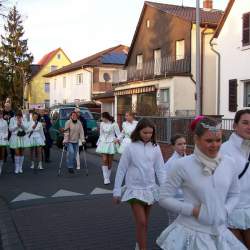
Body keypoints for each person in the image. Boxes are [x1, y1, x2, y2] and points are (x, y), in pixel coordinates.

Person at [156, 116, 246, 250]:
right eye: (209, 140)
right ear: (196, 139)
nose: (215, 145)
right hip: (191, 232)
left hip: (220, 231)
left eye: (218, 140)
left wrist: (225, 210)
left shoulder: (229, 163)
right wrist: (192, 210)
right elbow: (163, 198)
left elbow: (234, 193)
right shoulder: (182, 165)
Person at [113, 118, 165, 250]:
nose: (148, 135)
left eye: (150, 133)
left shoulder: (155, 147)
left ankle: (139, 244)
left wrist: (165, 189)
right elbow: (121, 169)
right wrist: (117, 191)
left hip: (150, 189)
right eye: (145, 132)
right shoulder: (130, 147)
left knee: (144, 224)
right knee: (141, 222)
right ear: (138, 131)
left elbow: (160, 169)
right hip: (134, 189)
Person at [220, 109, 250, 248]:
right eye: (245, 122)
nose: (249, 126)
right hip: (229, 213)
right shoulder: (223, 150)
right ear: (234, 125)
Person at [96, 112, 120, 184]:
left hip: (111, 143)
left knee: (110, 161)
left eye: (102, 117)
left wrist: (117, 140)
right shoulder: (102, 124)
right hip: (103, 142)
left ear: (106, 117)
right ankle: (105, 178)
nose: (101, 119)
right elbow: (101, 134)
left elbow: (119, 134)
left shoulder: (114, 124)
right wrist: (99, 142)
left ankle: (108, 177)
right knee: (104, 159)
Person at [9, 110, 29, 174]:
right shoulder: (12, 119)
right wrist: (17, 125)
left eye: (20, 116)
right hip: (15, 137)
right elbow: (10, 129)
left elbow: (26, 128)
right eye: (17, 116)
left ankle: (20, 167)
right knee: (17, 152)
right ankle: (16, 167)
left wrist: (21, 124)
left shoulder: (24, 119)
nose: (18, 117)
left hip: (23, 137)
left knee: (22, 152)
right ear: (15, 115)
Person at [0, 109, 9, 175]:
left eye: (1, 114)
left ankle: (0, 167)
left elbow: (6, 131)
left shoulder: (5, 122)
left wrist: (6, 136)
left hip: (3, 139)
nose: (0, 115)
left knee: (2, 154)